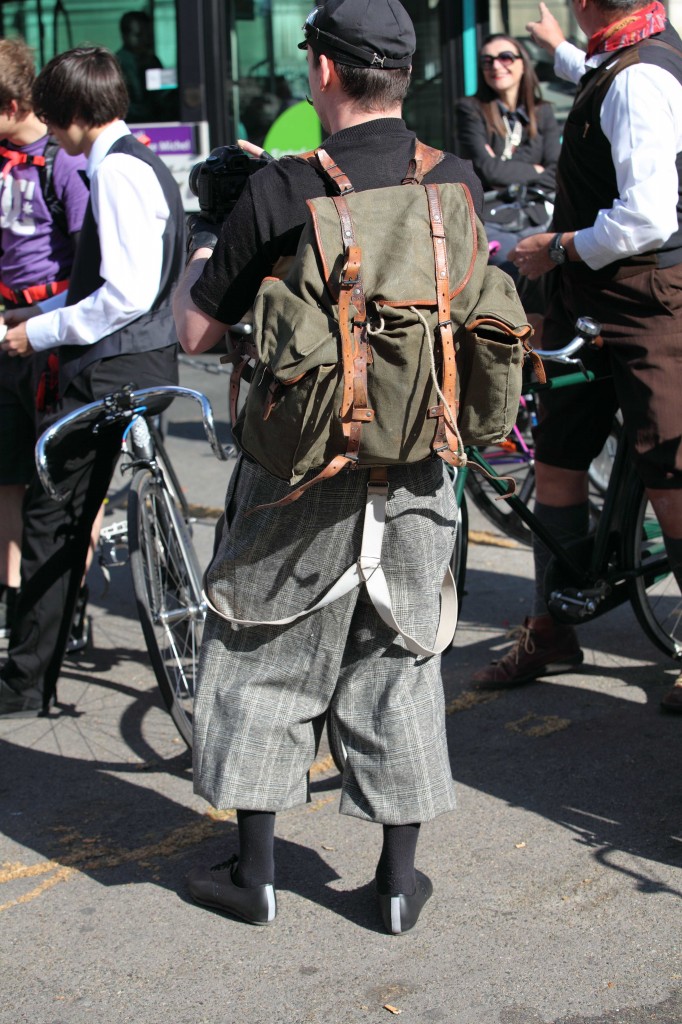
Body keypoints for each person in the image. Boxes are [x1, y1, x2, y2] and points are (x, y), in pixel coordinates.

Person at [173, 0, 485, 934]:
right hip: (421, 464)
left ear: (322, 72)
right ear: (403, 76)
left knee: (262, 654)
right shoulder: (455, 180)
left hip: (297, 470)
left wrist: (211, 242)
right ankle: (394, 885)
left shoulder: (282, 189)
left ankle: (256, 874)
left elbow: (195, 334)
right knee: (399, 659)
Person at [471, 0, 682, 715]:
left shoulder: (639, 77)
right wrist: (557, 48)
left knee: (671, 474)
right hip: (589, 304)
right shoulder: (630, 51)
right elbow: (594, 71)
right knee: (557, 458)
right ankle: (552, 629)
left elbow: (648, 217)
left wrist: (558, 247)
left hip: (648, 305)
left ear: (588, 3)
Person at [0, 46, 185, 717]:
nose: (50, 132)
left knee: (52, 516)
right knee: (76, 508)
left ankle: (25, 682)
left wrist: (41, 332)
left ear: (75, 114)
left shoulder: (114, 172)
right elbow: (113, 284)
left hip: (111, 367)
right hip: (147, 358)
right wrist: (37, 314)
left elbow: (123, 295)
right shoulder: (140, 161)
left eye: (53, 119)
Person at [0, 37, 90, 644]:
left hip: (51, 334)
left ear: (11, 106)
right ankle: (17, 602)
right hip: (6, 332)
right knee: (6, 473)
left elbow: (89, 262)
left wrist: (41, 321)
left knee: (64, 477)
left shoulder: (63, 163)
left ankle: (68, 602)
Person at [456, 33, 561, 271]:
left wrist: (504, 168)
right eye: (487, 61)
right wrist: (535, 169)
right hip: (493, 217)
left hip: (536, 215)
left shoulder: (542, 111)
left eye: (505, 57)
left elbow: (556, 172)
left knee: (555, 266)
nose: (496, 66)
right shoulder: (471, 109)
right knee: (512, 267)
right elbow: (488, 170)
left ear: (523, 63)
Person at [116, 11, 163, 123]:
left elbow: (162, 94)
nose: (145, 40)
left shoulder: (153, 61)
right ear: (124, 36)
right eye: (139, 35)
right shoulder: (116, 65)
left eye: (148, 35)